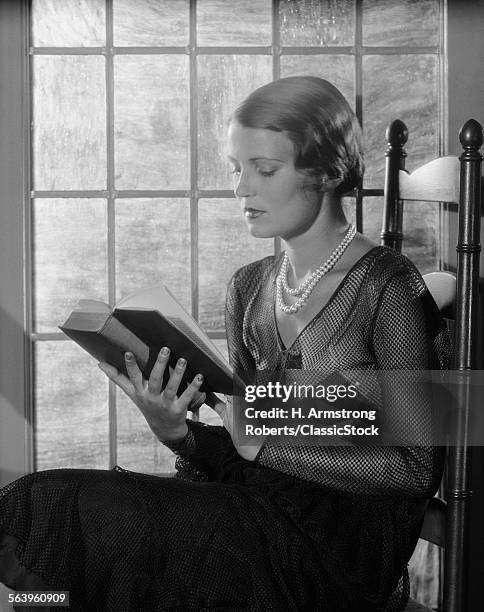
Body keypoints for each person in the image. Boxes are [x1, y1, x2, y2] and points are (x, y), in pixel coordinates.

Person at [0, 76, 450, 611]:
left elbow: (415, 469)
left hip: (335, 557)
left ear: (327, 172)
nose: (241, 190)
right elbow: (241, 459)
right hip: (252, 518)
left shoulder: (387, 285)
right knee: (54, 538)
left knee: (59, 508)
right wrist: (178, 435)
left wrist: (267, 442)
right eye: (237, 170)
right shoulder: (249, 286)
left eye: (264, 170)